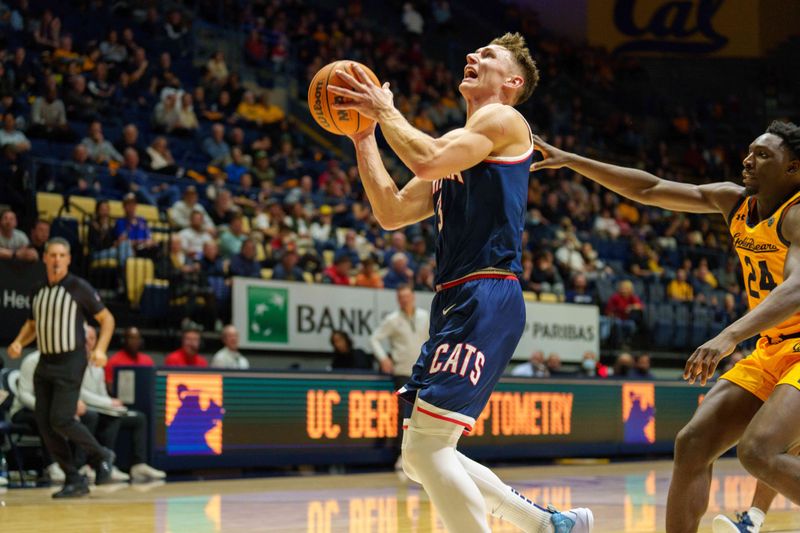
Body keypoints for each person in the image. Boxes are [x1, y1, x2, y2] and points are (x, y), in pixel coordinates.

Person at [330, 32, 592, 532]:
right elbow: (390, 211)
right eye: (474, 51)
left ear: (512, 82)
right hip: (456, 298)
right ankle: (548, 525)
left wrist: (385, 111)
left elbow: (424, 158)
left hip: (487, 290)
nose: (472, 55)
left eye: (488, 55)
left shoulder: (504, 119)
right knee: (421, 455)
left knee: (428, 453)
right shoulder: (456, 145)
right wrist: (363, 137)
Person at [532, 121, 800, 532]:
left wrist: (729, 335)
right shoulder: (735, 203)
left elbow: (796, 288)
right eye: (750, 150)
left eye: (764, 155)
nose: (748, 159)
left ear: (793, 169)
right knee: (692, 444)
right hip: (772, 348)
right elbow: (650, 188)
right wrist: (571, 160)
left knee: (759, 452)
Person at [6, 238, 116, 497]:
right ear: (45, 258)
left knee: (62, 418)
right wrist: (19, 342)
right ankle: (74, 478)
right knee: (44, 424)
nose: (56, 260)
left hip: (71, 360)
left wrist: (100, 349)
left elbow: (106, 319)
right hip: (45, 360)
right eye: (52, 255)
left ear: (68, 259)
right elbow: (32, 325)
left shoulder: (78, 287)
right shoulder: (37, 290)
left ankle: (101, 454)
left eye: (62, 255)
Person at [80, 326, 166, 483]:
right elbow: (81, 393)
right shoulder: (73, 362)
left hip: (99, 406)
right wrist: (108, 403)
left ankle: (139, 464)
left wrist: (111, 404)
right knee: (107, 418)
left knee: (138, 418)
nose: (88, 342)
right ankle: (94, 465)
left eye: (92, 338)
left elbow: (101, 392)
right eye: (85, 338)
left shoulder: (97, 362)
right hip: (83, 408)